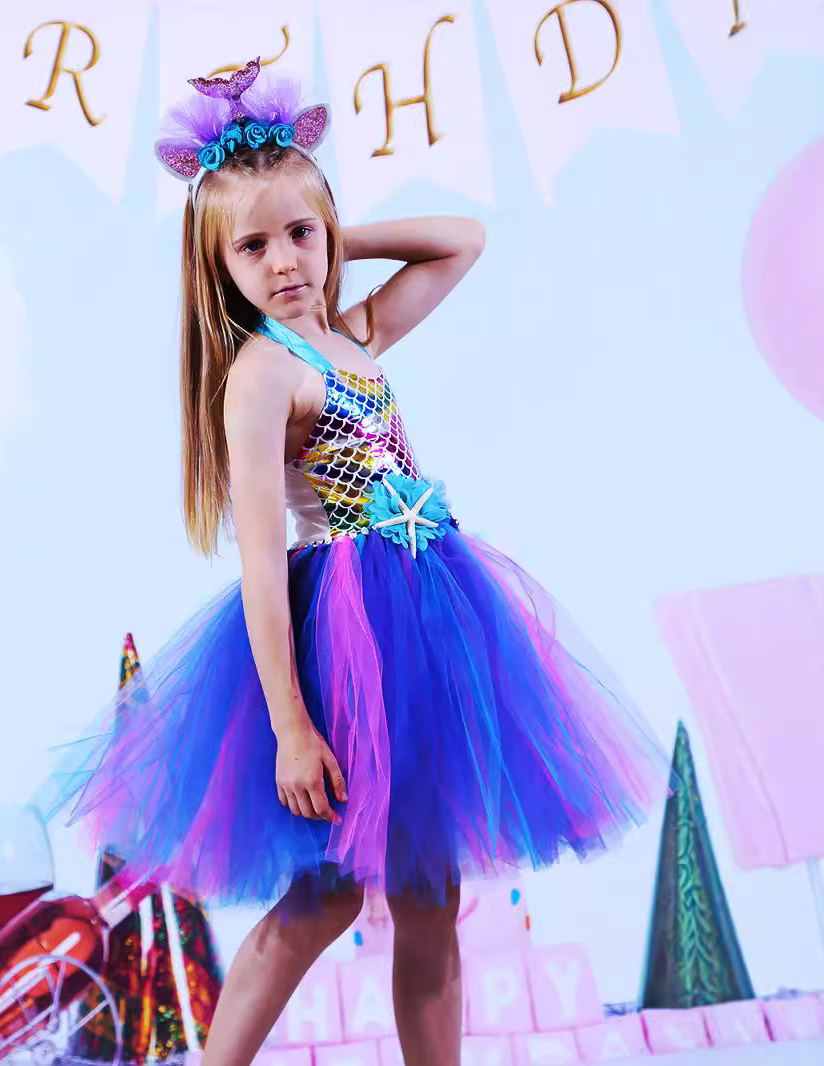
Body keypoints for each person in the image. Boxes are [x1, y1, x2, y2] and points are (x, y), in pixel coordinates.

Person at [42, 59, 670, 1066]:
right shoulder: (261, 376)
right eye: (253, 247)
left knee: (430, 892)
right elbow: (260, 562)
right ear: (218, 268)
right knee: (324, 894)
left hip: (429, 625)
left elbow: (462, 240)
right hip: (347, 643)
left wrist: (333, 238)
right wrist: (291, 726)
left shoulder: (351, 333)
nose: (284, 261)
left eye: (300, 233)